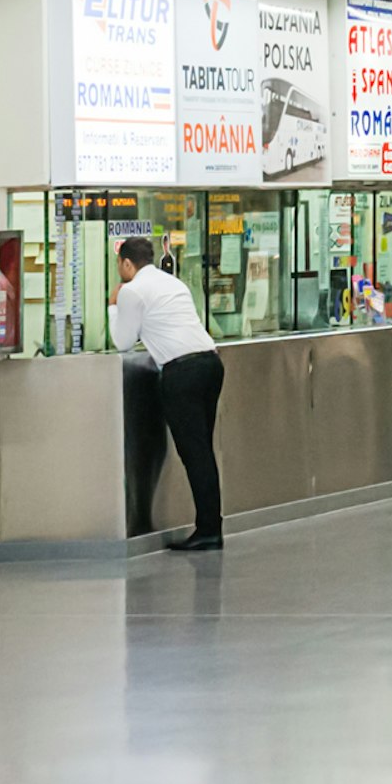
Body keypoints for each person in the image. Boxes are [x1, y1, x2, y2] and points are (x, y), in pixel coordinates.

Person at [108, 234, 225, 551]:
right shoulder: (173, 283)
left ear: (127, 263)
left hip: (182, 372)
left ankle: (209, 531)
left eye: (120, 264)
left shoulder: (132, 291)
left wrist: (113, 305)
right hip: (210, 364)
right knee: (202, 451)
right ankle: (210, 526)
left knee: (194, 454)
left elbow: (122, 341)